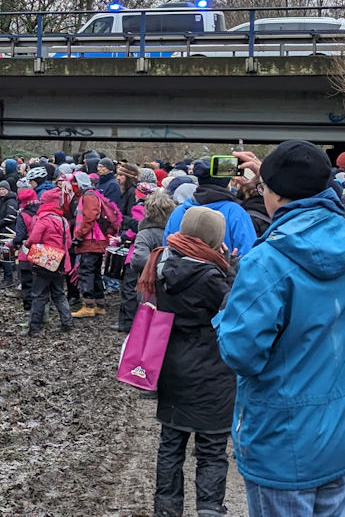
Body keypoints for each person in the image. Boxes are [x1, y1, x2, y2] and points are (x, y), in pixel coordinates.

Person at [214, 141, 345, 514]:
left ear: (275, 194)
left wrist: (226, 312)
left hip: (282, 439)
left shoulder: (266, 261)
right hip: (337, 433)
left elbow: (240, 352)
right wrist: (274, 174)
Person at [138, 207, 235, 517]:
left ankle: (166, 510)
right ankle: (209, 510)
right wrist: (230, 269)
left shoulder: (162, 262)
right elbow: (232, 310)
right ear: (213, 239)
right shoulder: (210, 276)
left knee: (171, 444)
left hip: (172, 367)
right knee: (211, 451)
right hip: (211, 372)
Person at [164, 161, 258, 258]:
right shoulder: (236, 213)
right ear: (227, 184)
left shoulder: (179, 212)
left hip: (178, 271)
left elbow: (166, 250)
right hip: (223, 271)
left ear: (199, 182)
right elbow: (249, 255)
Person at [14, 187, 73, 335]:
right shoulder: (63, 220)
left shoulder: (43, 219)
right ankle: (67, 323)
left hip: (44, 259)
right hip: (60, 259)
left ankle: (35, 327)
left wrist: (27, 244)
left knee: (39, 294)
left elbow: (34, 238)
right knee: (58, 293)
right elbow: (69, 243)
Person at [115, 191, 174, 332]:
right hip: (171, 278)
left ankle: (132, 326)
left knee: (137, 299)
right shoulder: (174, 230)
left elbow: (139, 260)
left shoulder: (145, 233)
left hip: (148, 280)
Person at [70, 173, 109, 318]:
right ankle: (99, 305)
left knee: (86, 272)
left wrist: (79, 235)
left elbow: (90, 217)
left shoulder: (88, 196)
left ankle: (89, 305)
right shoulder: (91, 194)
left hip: (91, 240)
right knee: (95, 272)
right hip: (96, 240)